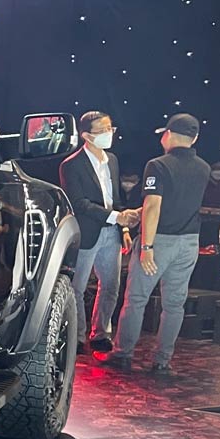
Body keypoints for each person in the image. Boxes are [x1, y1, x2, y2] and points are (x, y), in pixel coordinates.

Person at [105, 113, 212, 376]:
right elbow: (179, 202)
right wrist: (140, 212)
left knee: (136, 299)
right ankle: (163, 360)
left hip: (159, 241)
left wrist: (147, 247)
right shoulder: (204, 168)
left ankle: (122, 354)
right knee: (174, 305)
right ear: (194, 138)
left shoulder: (158, 165)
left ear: (168, 134)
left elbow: (155, 206)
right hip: (189, 243)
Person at [58, 111, 138, 354]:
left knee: (111, 285)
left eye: (110, 129)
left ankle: (101, 333)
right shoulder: (71, 165)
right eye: (102, 130)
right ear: (86, 135)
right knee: (77, 287)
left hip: (111, 232)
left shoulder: (111, 160)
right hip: (86, 232)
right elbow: (79, 203)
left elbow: (115, 199)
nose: (109, 134)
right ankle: (77, 335)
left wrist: (123, 226)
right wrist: (116, 217)